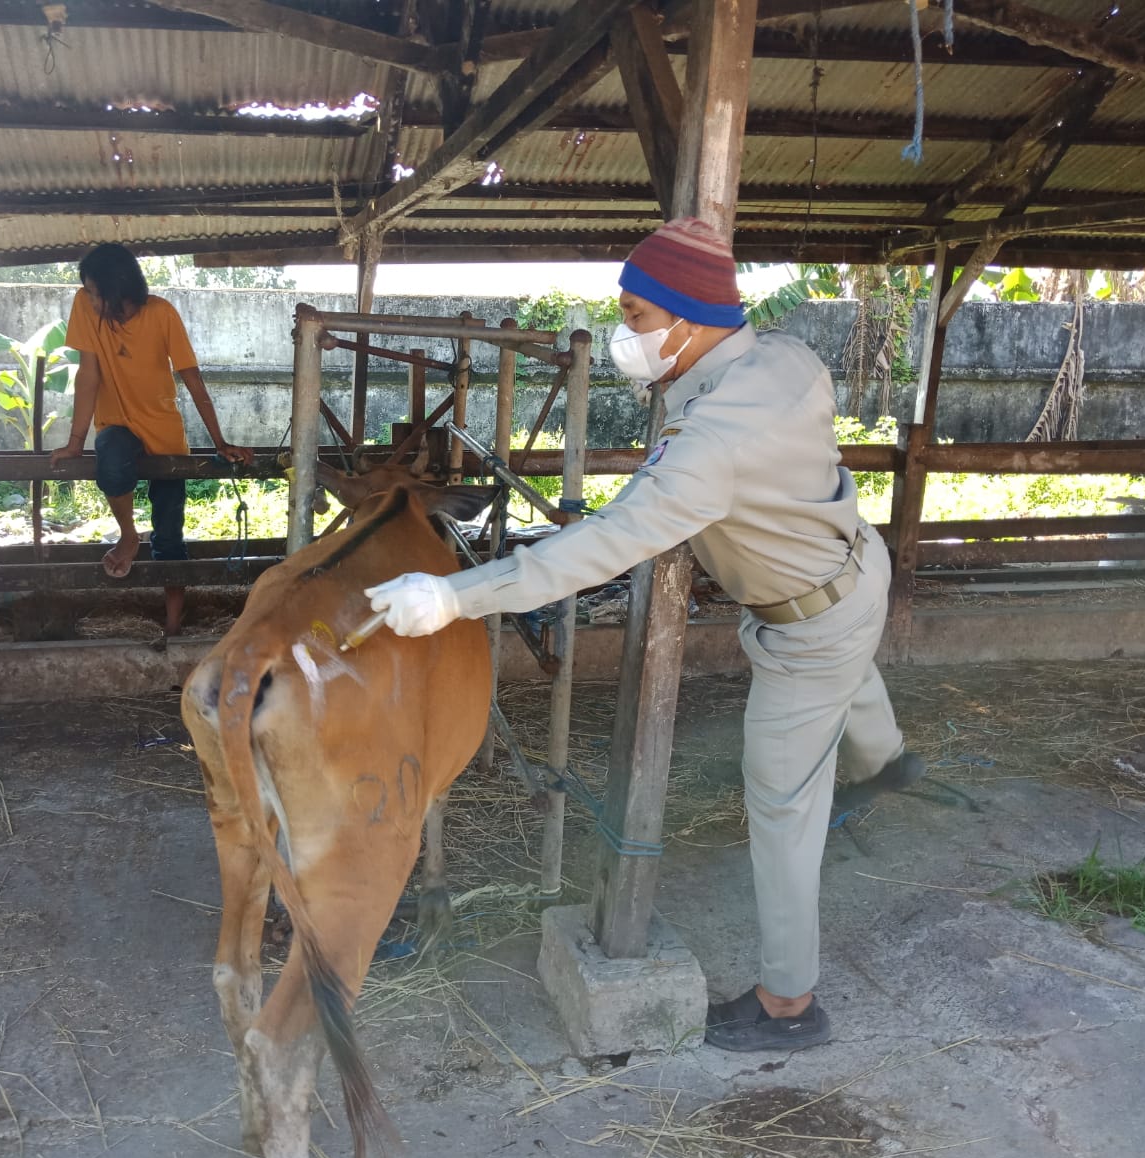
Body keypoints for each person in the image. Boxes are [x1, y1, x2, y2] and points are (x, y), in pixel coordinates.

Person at [365, 218, 925, 1052]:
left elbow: (599, 548)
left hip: (806, 629)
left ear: (688, 321)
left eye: (634, 317)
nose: (625, 332)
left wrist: (452, 596)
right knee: (855, 667)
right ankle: (889, 762)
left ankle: (789, 1005)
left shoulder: (710, 446)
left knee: (781, 810)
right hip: (853, 565)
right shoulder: (784, 358)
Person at [49, 242, 255, 636]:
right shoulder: (85, 307)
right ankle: (128, 535)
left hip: (164, 431)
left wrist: (219, 440)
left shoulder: (162, 314)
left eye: (95, 292)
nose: (89, 298)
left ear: (118, 288)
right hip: (117, 424)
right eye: (88, 291)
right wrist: (76, 442)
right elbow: (88, 375)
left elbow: (192, 379)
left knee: (170, 532)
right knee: (110, 461)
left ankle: (174, 623)